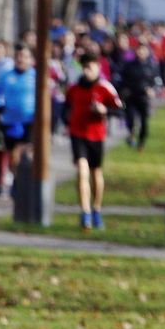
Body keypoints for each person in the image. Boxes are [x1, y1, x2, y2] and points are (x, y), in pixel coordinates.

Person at [65, 52, 123, 231]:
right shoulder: (74, 88)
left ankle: (96, 208)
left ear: (98, 67)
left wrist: (104, 110)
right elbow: (66, 108)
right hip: (77, 134)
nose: (87, 71)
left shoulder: (105, 88)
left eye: (91, 67)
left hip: (97, 135)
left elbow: (120, 110)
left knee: (95, 173)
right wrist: (69, 120)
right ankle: (85, 212)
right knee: (82, 171)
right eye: (85, 67)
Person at [0, 45, 36, 191]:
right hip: (10, 121)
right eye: (18, 56)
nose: (21, 59)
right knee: (13, 157)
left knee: (26, 153)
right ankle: (17, 180)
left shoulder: (35, 76)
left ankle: (27, 183)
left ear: (30, 59)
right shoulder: (6, 76)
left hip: (30, 121)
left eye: (24, 56)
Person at [117, 39, 160, 150]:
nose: (141, 52)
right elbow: (122, 80)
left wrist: (152, 90)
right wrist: (124, 90)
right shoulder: (129, 65)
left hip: (144, 98)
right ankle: (131, 134)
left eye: (143, 49)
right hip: (131, 96)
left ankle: (141, 143)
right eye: (139, 49)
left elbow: (157, 81)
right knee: (130, 118)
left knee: (144, 122)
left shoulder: (152, 65)